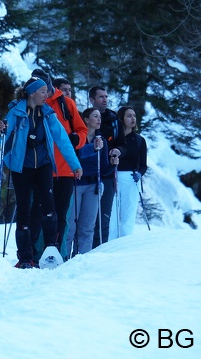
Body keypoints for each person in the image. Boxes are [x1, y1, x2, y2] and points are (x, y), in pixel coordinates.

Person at [0, 76, 83, 269]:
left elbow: (63, 140)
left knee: (48, 205)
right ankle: (25, 256)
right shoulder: (16, 112)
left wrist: (75, 165)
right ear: (32, 93)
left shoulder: (48, 114)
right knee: (24, 209)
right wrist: (1, 131)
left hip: (43, 165)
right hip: (21, 167)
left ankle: (51, 247)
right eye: (43, 92)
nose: (47, 95)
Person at [28, 69, 88, 260]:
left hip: (64, 170)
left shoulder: (66, 104)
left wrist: (75, 140)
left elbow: (82, 130)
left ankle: (56, 254)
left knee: (61, 215)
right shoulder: (34, 103)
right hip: (40, 168)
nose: (43, 92)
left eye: (45, 88)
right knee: (37, 213)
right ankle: (34, 254)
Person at [65, 108, 116, 257]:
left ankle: (81, 258)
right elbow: (73, 157)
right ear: (86, 119)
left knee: (87, 226)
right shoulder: (77, 138)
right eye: (95, 116)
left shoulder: (102, 141)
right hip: (76, 184)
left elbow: (104, 169)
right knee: (71, 226)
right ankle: (65, 257)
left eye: (99, 116)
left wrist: (113, 165)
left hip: (93, 186)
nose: (99, 119)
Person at [88, 86, 127, 248]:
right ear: (92, 100)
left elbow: (123, 145)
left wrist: (118, 150)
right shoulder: (85, 118)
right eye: (101, 97)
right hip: (87, 176)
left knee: (103, 218)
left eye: (106, 97)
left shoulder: (114, 121)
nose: (105, 100)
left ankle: (99, 251)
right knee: (86, 218)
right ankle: (81, 252)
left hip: (108, 174)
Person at [109, 106, 148, 238]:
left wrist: (139, 174)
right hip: (114, 176)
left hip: (131, 178)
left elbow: (143, 165)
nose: (133, 119)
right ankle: (110, 242)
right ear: (121, 118)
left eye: (134, 116)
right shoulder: (114, 138)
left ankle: (126, 240)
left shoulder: (139, 140)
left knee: (129, 212)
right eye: (129, 116)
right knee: (112, 212)